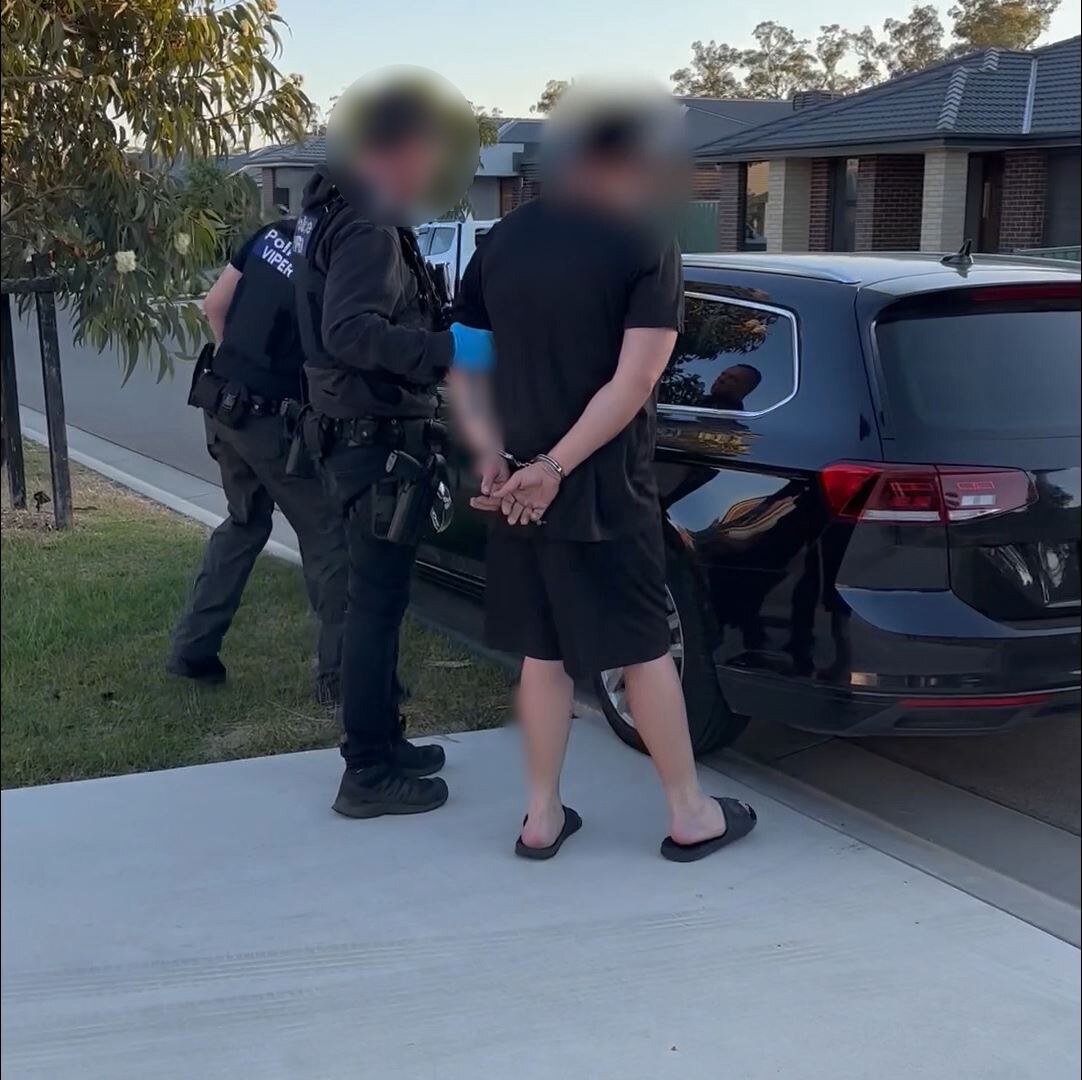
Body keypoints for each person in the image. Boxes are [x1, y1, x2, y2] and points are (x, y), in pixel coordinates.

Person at [448, 93, 757, 861]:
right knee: (644, 649)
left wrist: (492, 452)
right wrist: (556, 466)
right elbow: (634, 383)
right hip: (596, 481)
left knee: (543, 656)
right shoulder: (644, 241)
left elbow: (468, 356)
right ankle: (689, 813)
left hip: (518, 480)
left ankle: (541, 819)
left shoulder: (504, 240)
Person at [292, 82, 480, 819]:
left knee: (381, 603)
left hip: (357, 438)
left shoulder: (341, 215)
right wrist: (447, 349)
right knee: (374, 608)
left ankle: (384, 741)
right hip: (373, 445)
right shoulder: (368, 226)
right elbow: (350, 332)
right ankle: (367, 769)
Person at [168, 219, 347, 707]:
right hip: (270, 422)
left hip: (221, 402)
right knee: (331, 535)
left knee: (245, 522)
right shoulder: (335, 259)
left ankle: (192, 652)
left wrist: (241, 372)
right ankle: (342, 679)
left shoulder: (273, 234)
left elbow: (214, 306)